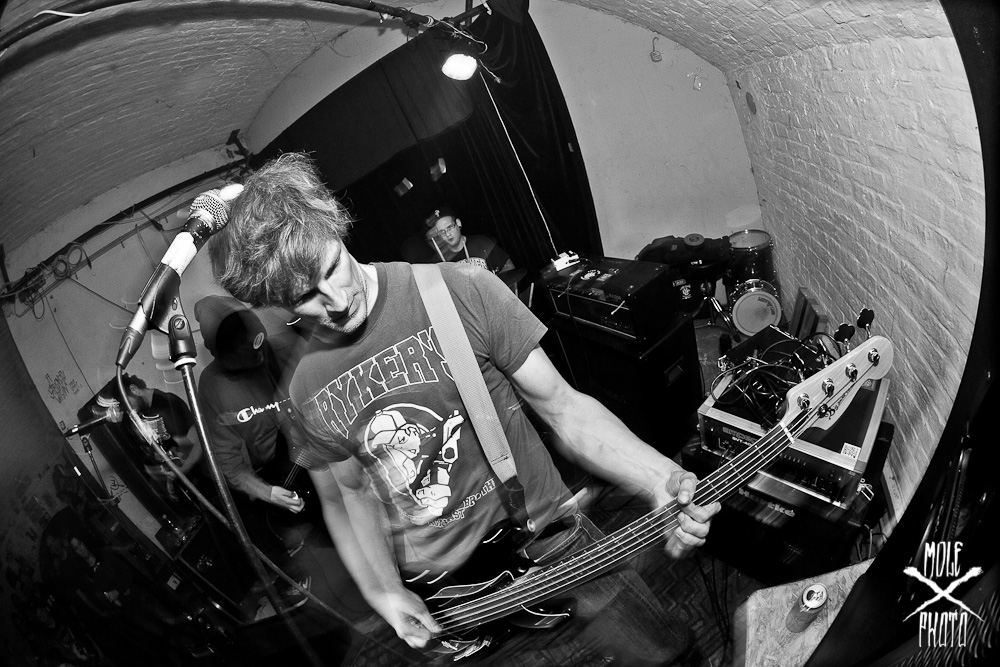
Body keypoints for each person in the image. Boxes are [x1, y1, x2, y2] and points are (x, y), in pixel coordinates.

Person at [208, 153, 720, 665]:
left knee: (666, 654)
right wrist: (383, 590)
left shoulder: (459, 290)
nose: (337, 301)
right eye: (306, 297)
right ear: (277, 304)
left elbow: (563, 408)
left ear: (337, 230)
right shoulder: (306, 386)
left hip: (549, 542)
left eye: (332, 268)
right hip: (449, 600)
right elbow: (348, 496)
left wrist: (657, 476)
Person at [425, 206, 515, 275]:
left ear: (458, 223)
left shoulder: (481, 243)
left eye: (449, 227)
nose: (448, 234)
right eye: (442, 232)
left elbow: (509, 268)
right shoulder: (438, 262)